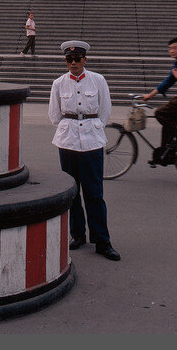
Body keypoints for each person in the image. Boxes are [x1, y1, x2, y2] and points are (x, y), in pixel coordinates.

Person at [49, 41, 120, 261]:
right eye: (69, 60)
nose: (73, 63)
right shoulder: (59, 83)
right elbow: (54, 115)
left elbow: (105, 110)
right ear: (65, 61)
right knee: (72, 192)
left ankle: (102, 241)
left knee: (94, 193)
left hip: (91, 142)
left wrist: (93, 127)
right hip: (68, 142)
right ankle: (77, 234)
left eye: (77, 59)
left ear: (85, 60)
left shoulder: (98, 80)